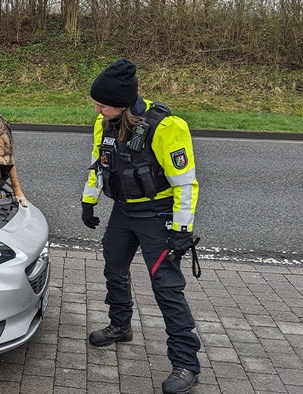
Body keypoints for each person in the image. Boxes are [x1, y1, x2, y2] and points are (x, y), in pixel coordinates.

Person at [81, 58, 201, 394]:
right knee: (114, 268)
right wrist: (88, 200)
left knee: (166, 287)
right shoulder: (103, 123)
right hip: (123, 211)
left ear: (121, 104)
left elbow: (186, 183)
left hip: (157, 214)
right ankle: (121, 325)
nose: (96, 109)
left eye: (101, 104)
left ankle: (186, 363)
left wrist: (181, 229)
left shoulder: (167, 127)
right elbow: (99, 165)